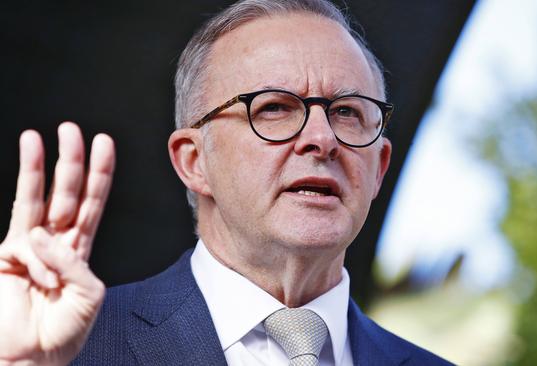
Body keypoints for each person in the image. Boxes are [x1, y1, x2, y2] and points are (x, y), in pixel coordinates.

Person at [0, 0, 452, 365]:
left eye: (347, 112)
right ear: (194, 162)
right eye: (275, 107)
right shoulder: (72, 348)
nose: (322, 139)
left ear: (379, 168)